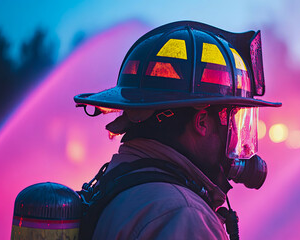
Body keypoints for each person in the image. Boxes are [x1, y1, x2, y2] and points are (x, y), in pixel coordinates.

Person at [73, 21, 282, 240]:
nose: (237, 138)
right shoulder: (185, 216)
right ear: (202, 122)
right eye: (232, 121)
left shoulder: (120, 181)